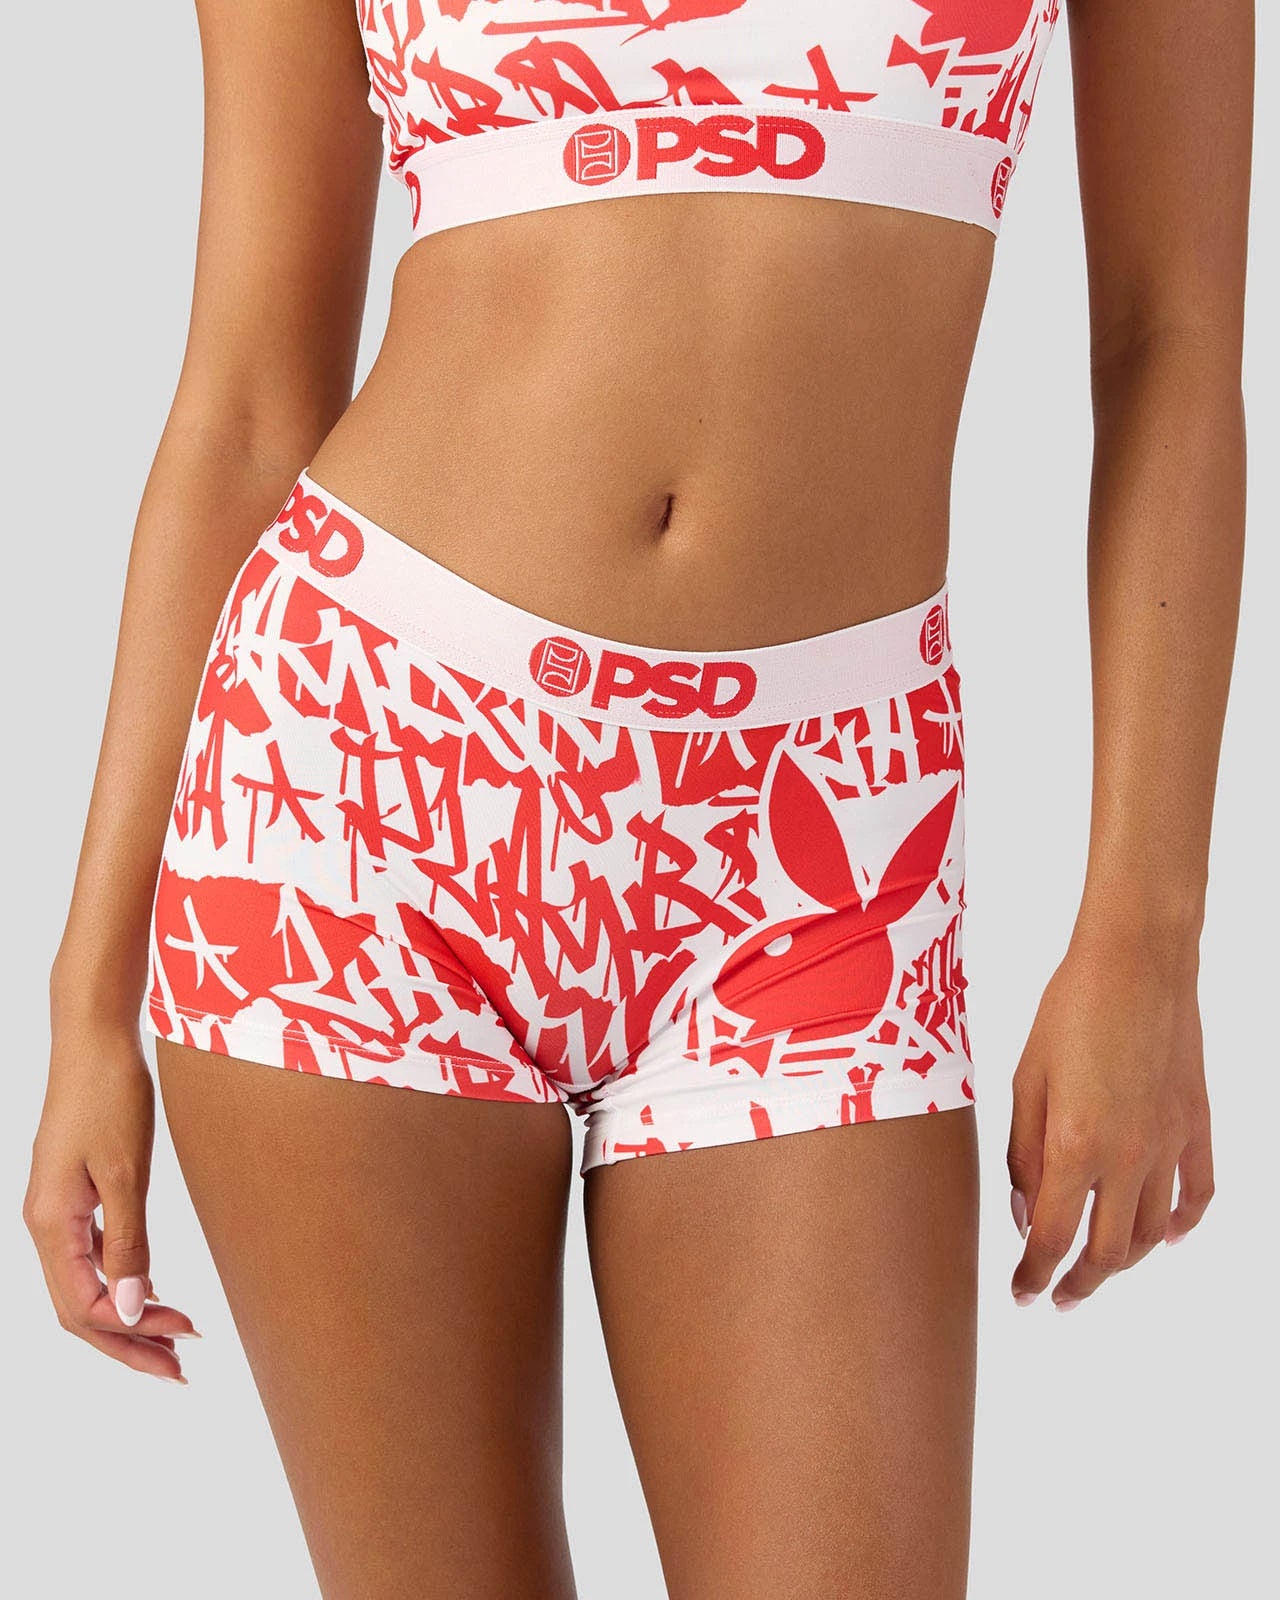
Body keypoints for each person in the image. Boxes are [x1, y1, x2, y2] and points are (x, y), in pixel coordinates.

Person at [23, 3, 1251, 1596]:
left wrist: (1147, 934)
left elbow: (1173, 341)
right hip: (362, 792)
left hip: (825, 840)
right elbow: (249, 400)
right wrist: (88, 1003)